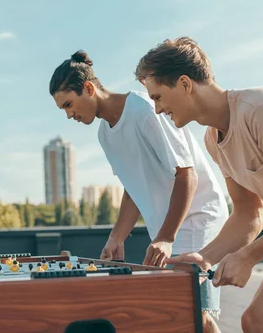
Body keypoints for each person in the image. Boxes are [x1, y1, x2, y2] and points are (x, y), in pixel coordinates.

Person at [135, 37, 263, 333]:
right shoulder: (214, 140)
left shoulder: (262, 110)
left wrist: (249, 256)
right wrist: (206, 257)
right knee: (260, 324)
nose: (158, 109)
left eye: (158, 97)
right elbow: (249, 213)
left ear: (185, 84)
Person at [49, 50, 229, 332]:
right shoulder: (104, 134)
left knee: (194, 316)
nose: (69, 114)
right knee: (173, 316)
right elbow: (133, 186)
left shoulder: (144, 110)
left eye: (69, 104)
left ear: (89, 88)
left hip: (196, 218)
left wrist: (166, 237)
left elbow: (187, 175)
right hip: (167, 230)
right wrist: (116, 237)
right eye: (63, 109)